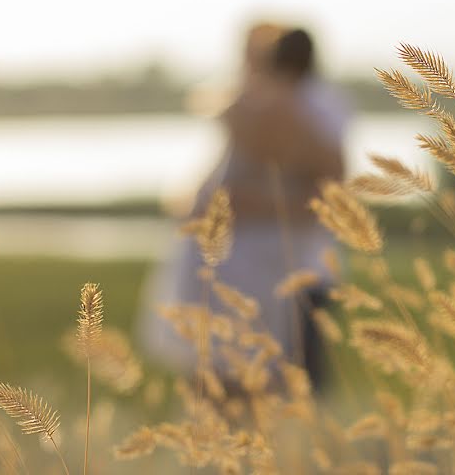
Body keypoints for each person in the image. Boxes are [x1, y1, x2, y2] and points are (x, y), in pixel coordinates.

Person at [138, 25, 349, 390]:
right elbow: (331, 182)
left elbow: (320, 187)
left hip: (241, 255)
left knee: (222, 366)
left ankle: (223, 440)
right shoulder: (301, 110)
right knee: (245, 365)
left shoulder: (251, 107)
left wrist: (245, 203)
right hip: (249, 253)